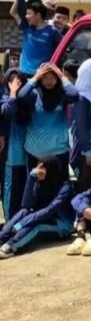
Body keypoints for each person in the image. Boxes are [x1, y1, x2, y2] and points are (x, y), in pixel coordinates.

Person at [0, 157, 73, 259]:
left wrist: (22, 223)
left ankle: (10, 247)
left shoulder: (65, 187)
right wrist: (31, 178)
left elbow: (50, 210)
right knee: (24, 212)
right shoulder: (39, 183)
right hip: (40, 217)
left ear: (50, 169)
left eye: (42, 167)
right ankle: (1, 238)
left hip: (61, 223)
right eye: (37, 167)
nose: (38, 170)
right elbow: (26, 204)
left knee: (36, 225)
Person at [18, 63, 78, 180]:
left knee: (59, 186)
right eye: (45, 77)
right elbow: (21, 96)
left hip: (58, 151)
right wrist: (35, 77)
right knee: (33, 186)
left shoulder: (62, 94)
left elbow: (74, 95)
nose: (49, 81)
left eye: (52, 77)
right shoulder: (34, 94)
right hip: (34, 151)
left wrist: (62, 76)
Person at [10, 0, 63, 77]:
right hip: (23, 74)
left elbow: (62, 51)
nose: (26, 16)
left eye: (29, 14)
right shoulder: (27, 27)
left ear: (38, 15)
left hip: (42, 76)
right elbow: (14, 12)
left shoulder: (53, 31)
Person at [1, 70, 28, 219]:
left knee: (24, 191)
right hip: (11, 157)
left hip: (28, 154)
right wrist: (12, 93)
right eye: (13, 82)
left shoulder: (28, 101)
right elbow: (8, 111)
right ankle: (9, 222)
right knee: (10, 191)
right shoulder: (5, 99)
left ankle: (20, 223)